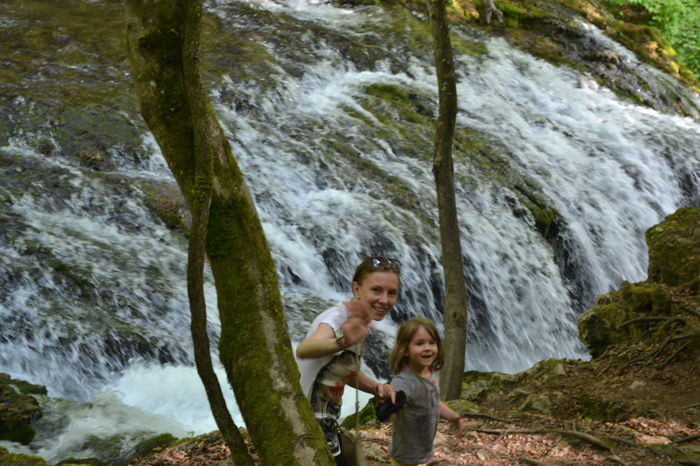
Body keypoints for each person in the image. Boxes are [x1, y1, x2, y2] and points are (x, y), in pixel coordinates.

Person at [296, 256, 400, 465]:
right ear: (356, 288)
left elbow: (342, 370)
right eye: (376, 290)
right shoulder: (337, 318)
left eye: (392, 293)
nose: (385, 300)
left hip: (325, 428)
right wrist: (343, 342)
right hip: (304, 428)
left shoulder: (360, 318)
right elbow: (304, 349)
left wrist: (377, 388)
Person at [381, 317, 466, 466]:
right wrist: (392, 401)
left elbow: (433, 402)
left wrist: (453, 417)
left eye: (432, 342)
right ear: (405, 350)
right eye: (420, 343)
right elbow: (397, 392)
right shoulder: (406, 380)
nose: (427, 348)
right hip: (405, 457)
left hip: (424, 452)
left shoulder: (430, 372)